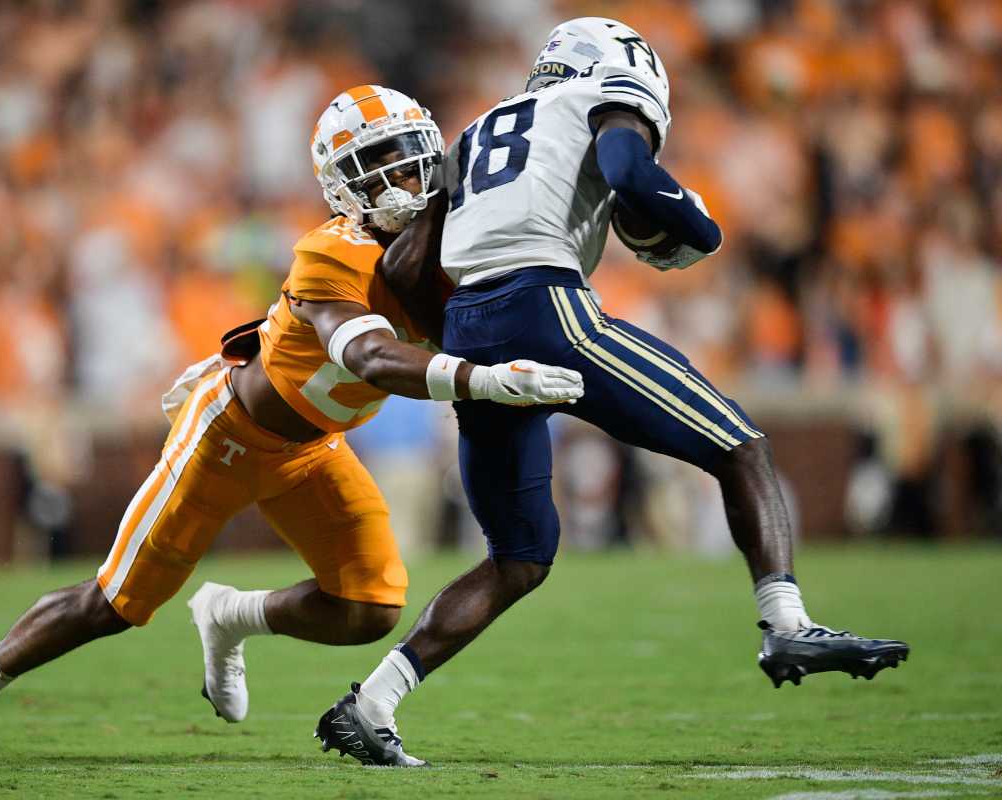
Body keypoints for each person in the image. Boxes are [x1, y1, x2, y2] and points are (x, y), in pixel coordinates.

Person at [0, 85, 583, 760]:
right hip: (228, 434)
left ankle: (230, 614)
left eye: (411, 159)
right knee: (113, 604)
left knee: (369, 608)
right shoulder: (332, 250)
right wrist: (484, 379)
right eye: (382, 161)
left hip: (314, 447)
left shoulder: (447, 245)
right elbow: (372, 356)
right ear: (342, 181)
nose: (404, 178)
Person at [314, 20, 909, 767]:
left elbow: (403, 267)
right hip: (549, 305)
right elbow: (627, 169)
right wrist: (699, 223)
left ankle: (371, 703)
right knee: (740, 445)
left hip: (469, 324)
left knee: (519, 557)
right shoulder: (603, 96)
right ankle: (785, 620)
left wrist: (465, 342)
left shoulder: (474, 134)